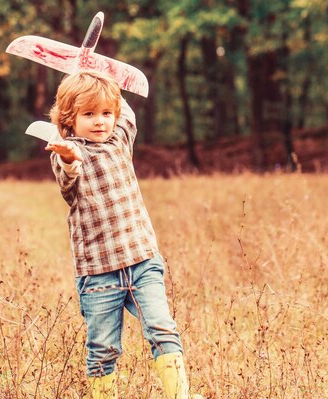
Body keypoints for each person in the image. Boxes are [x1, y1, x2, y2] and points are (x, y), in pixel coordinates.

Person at [45, 71, 202, 399]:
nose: (100, 121)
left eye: (105, 114)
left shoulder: (120, 139)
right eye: (88, 115)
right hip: (99, 274)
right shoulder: (66, 152)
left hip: (142, 260)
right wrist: (69, 158)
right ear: (69, 120)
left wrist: (91, 66)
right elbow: (67, 182)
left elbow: (123, 105)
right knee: (103, 348)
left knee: (162, 329)